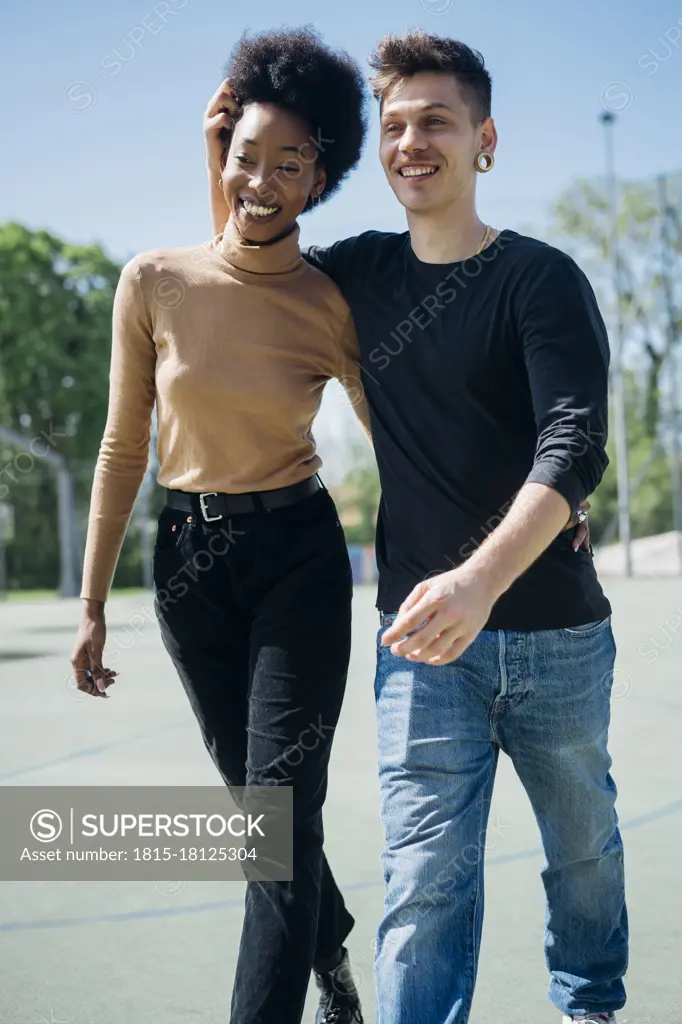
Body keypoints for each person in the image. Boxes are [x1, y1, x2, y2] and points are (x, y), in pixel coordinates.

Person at [204, 29, 627, 1024]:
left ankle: (592, 1006)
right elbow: (236, 268)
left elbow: (573, 446)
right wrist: (220, 140)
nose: (410, 141)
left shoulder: (539, 278)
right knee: (422, 881)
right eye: (393, 125)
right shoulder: (352, 277)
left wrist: (479, 580)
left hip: (558, 639)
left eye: (434, 120)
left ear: (484, 139)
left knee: (583, 855)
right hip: (421, 651)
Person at [71, 27, 371, 1024]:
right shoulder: (153, 280)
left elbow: (399, 447)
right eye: (247, 155)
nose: (264, 178)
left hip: (299, 559)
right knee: (262, 822)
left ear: (322, 176)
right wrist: (90, 606)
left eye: (291, 163)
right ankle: (326, 951)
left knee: (276, 824)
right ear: (220, 149)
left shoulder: (329, 303)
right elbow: (123, 448)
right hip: (187, 565)